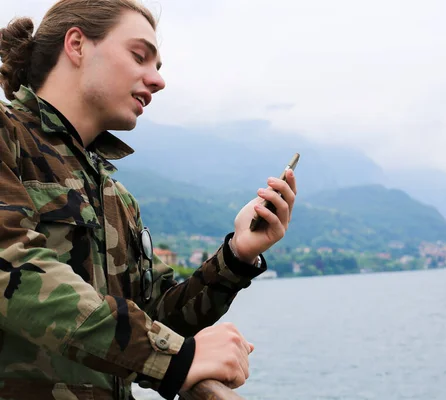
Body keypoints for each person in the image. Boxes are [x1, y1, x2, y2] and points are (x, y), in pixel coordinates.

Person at [0, 0, 297, 399]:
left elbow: (157, 316)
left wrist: (236, 257)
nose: (157, 81)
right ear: (76, 45)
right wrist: (176, 360)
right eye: (140, 56)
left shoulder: (115, 196)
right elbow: (12, 267)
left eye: (158, 67)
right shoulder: (8, 138)